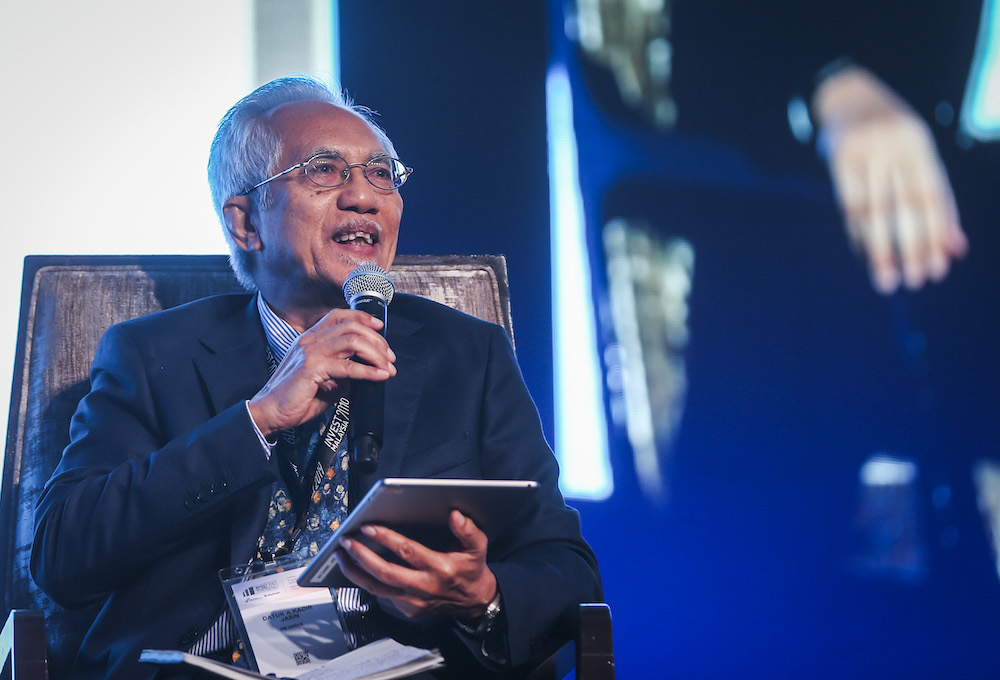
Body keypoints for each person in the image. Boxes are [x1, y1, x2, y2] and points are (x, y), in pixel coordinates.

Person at [30, 75, 601, 680]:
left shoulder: (468, 355)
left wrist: (482, 596)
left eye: (381, 173)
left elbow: (563, 567)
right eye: (325, 171)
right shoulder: (152, 355)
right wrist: (258, 419)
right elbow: (63, 558)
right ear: (245, 223)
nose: (364, 197)